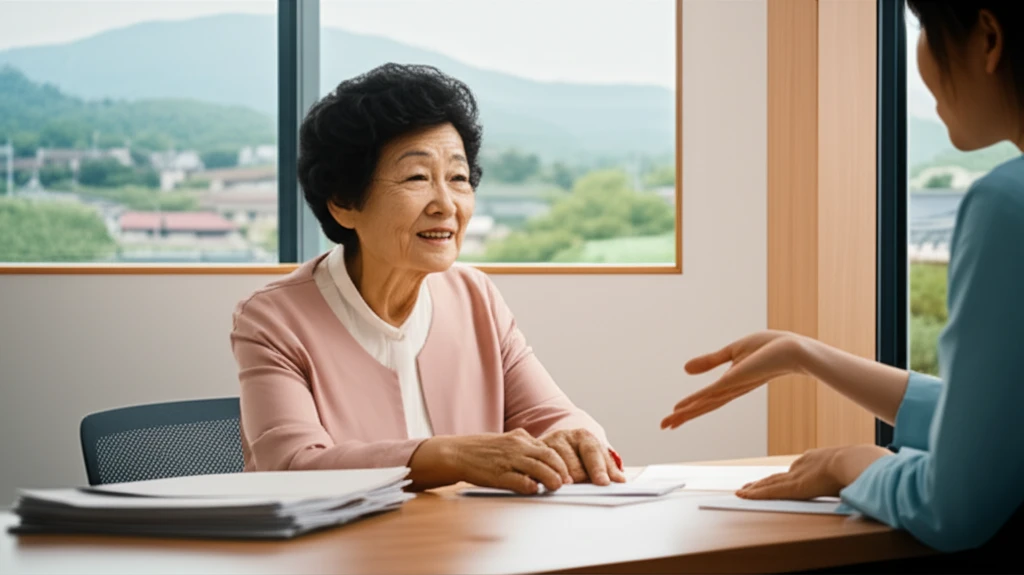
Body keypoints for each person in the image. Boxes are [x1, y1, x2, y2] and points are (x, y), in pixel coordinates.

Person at [662, 0, 1023, 557]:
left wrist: (854, 464)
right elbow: (999, 423)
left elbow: (954, 506)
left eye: (924, 27)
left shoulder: (1005, 204)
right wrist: (806, 354)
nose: (919, 53)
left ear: (989, 38)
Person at [230, 63, 625, 494]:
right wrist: (449, 457)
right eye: (417, 178)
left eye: (458, 178)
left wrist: (577, 436)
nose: (446, 204)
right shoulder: (274, 319)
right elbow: (290, 467)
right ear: (343, 202)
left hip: (468, 552)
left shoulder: (475, 296)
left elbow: (553, 416)